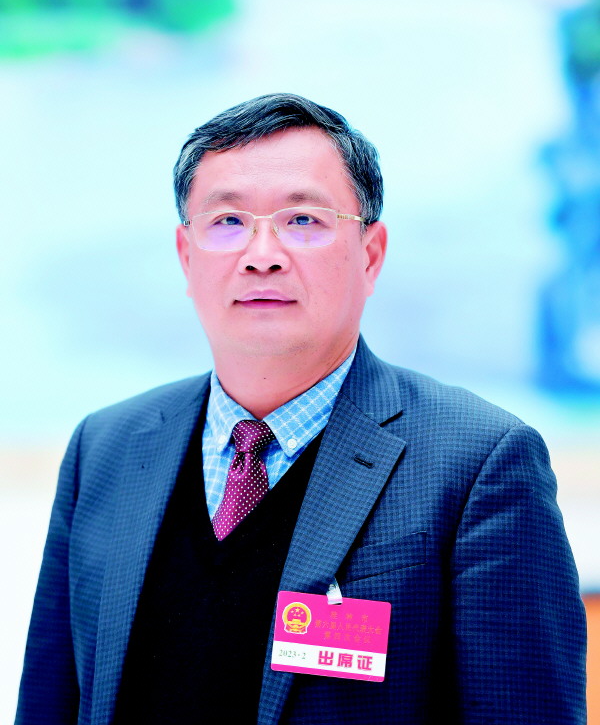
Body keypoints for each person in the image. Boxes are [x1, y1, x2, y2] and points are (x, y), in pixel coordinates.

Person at [16, 93, 587, 725]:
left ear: (370, 255)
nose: (262, 253)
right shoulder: (105, 449)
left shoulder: (478, 464)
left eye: (303, 220)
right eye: (227, 221)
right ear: (186, 256)